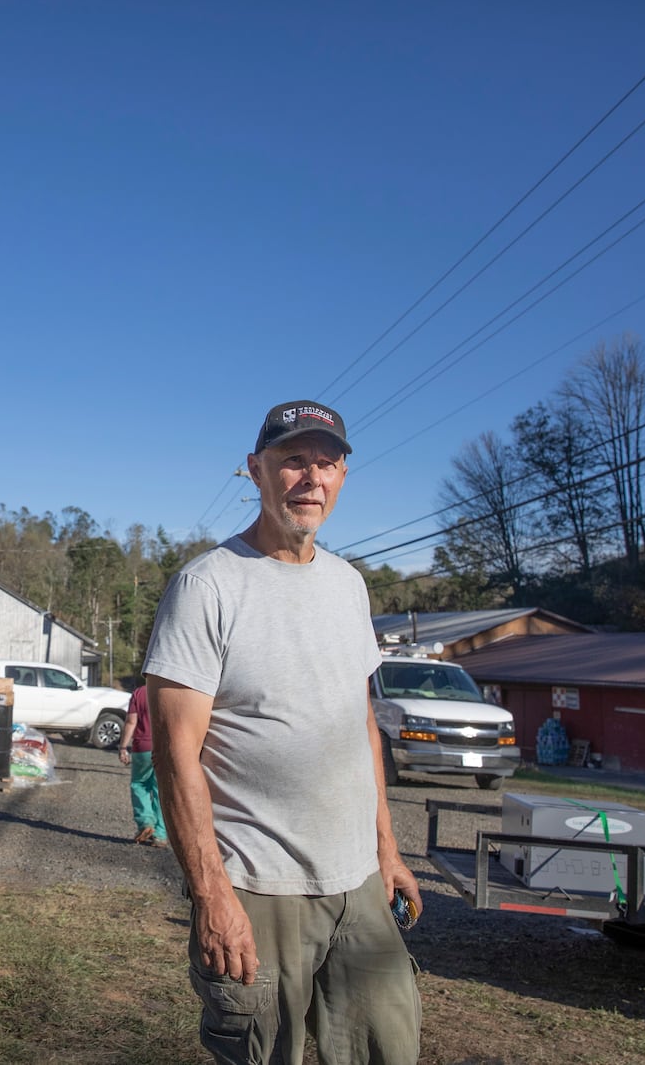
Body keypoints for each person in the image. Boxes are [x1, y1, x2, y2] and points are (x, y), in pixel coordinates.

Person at [144, 399, 422, 1065]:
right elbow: (175, 753)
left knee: (390, 1049)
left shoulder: (349, 586)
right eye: (293, 460)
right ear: (256, 471)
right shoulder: (207, 585)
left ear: (343, 477)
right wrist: (212, 894)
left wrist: (386, 849)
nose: (311, 477)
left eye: (326, 462)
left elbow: (362, 728)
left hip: (357, 886)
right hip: (259, 889)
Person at [117, 682, 167, 848]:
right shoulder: (168, 692)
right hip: (165, 747)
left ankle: (146, 822)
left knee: (139, 784)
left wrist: (123, 747)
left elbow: (131, 721)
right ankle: (160, 834)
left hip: (142, 748)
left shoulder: (139, 693)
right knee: (160, 790)